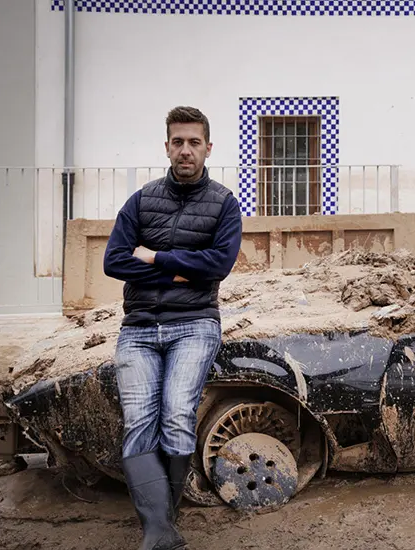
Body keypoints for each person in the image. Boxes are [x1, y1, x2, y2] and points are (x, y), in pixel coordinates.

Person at [103, 106, 243, 550]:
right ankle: (159, 530)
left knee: (177, 414)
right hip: (139, 327)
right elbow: (114, 262)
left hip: (194, 325)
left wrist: (155, 257)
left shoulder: (223, 204)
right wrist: (182, 272)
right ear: (167, 147)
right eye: (178, 142)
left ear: (208, 148)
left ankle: (164, 523)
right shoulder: (142, 201)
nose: (186, 150)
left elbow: (218, 265)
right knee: (139, 421)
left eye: (194, 143)